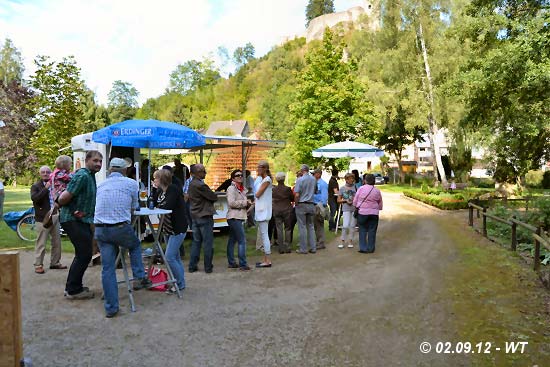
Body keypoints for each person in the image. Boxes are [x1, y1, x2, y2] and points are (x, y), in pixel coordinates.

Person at [94, 158, 152, 318]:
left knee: (108, 269)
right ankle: (140, 276)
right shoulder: (131, 183)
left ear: (110, 170)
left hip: (100, 229)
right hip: (119, 227)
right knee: (134, 245)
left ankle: (111, 307)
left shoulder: (101, 184)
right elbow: (134, 208)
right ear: (125, 170)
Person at [56, 150, 103, 300]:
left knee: (83, 253)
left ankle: (74, 287)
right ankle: (73, 290)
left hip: (80, 220)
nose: (98, 164)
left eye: (100, 161)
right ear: (87, 160)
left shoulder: (90, 176)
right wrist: (69, 208)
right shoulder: (82, 175)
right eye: (95, 160)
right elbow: (64, 198)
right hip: (72, 219)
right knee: (84, 253)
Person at [153, 169, 188, 292]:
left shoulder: (173, 189)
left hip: (177, 227)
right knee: (175, 257)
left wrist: (158, 206)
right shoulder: (160, 191)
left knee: (169, 257)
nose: (154, 181)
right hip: (167, 228)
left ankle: (179, 283)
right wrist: (154, 190)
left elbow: (168, 206)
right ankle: (180, 282)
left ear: (162, 179)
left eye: (156, 178)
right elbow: (152, 203)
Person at [30, 166, 65, 274]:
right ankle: (38, 264)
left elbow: (59, 197)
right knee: (41, 243)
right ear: (40, 174)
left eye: (47, 172)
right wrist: (46, 188)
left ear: (51, 173)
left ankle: (55, 262)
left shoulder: (55, 185)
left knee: (56, 242)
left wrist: (58, 203)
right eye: (43, 172)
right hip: (42, 218)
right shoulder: (36, 186)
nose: (45, 174)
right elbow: (35, 199)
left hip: (54, 215)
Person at [187, 164, 218, 273]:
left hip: (195, 215)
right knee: (207, 243)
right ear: (197, 173)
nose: (205, 173)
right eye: (203, 171)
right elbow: (213, 197)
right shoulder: (201, 185)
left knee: (196, 242)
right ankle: (208, 267)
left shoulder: (191, 184)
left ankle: (192, 265)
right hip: (204, 216)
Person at [226, 169, 252, 271]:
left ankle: (231, 262)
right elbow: (231, 203)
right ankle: (242, 264)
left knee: (232, 240)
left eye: (241, 175)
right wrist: (245, 203)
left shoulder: (241, 189)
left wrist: (249, 204)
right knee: (242, 240)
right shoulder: (231, 189)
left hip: (238, 217)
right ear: (233, 178)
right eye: (237, 175)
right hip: (234, 217)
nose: (240, 176)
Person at [353, 174, 383, 254]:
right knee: (372, 230)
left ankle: (363, 248)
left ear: (365, 180)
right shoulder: (377, 190)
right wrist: (378, 208)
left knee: (362, 229)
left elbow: (355, 201)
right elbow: (380, 202)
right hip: (374, 213)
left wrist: (356, 206)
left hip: (362, 212)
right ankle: (371, 248)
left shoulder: (361, 189)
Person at [294, 164, 317, 254]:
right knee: (311, 227)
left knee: (302, 227)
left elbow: (297, 194)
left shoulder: (300, 180)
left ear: (302, 170)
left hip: (302, 204)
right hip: (311, 204)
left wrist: (296, 203)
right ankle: (313, 247)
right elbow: (315, 191)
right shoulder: (313, 179)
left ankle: (303, 248)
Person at [254, 160, 273, 267]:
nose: (258, 169)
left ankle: (267, 260)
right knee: (263, 234)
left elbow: (258, 193)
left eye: (260, 167)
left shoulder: (266, 180)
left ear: (265, 168)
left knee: (265, 235)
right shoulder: (261, 179)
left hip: (264, 211)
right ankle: (265, 259)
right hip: (261, 209)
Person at [272, 172, 294, 254]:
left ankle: (280, 248)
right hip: (287, 210)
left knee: (279, 228)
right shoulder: (287, 189)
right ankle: (287, 246)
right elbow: (292, 198)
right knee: (288, 228)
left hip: (277, 210)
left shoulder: (273, 189)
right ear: (284, 179)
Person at [338, 173, 357, 249]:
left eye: (352, 178)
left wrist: (354, 201)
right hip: (346, 208)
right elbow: (338, 200)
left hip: (354, 208)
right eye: (350, 178)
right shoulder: (342, 188)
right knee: (345, 225)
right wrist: (345, 200)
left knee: (352, 225)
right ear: (346, 179)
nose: (351, 180)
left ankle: (350, 241)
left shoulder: (356, 187)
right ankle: (342, 241)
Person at [312, 168, 328, 250]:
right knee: (316, 225)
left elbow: (324, 196)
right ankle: (319, 241)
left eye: (314, 173)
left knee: (319, 225)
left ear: (319, 174)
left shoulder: (322, 184)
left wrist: (322, 206)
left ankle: (321, 242)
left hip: (319, 205)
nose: (313, 175)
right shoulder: (315, 183)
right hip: (314, 205)